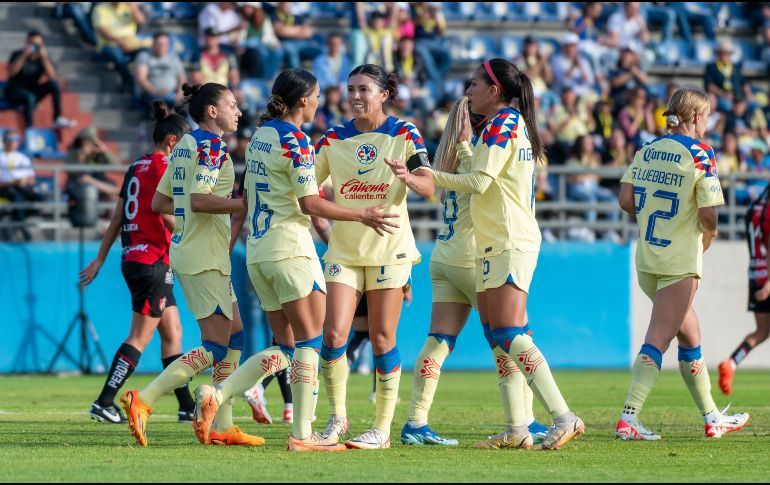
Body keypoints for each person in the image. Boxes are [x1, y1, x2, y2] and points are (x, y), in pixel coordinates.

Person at [193, 68, 397, 452]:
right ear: (304, 99)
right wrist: (361, 214)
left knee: (285, 347)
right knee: (310, 341)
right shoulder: (297, 141)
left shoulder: (260, 136)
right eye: (317, 95)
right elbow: (309, 203)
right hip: (290, 250)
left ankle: (217, 395)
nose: (320, 101)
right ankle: (303, 435)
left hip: (259, 254)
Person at [409, 58, 585, 450]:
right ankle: (517, 427)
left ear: (494, 91)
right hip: (491, 243)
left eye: (473, 84)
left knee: (509, 332)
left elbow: (479, 181)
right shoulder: (498, 126)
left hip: (510, 240)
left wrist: (427, 175)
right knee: (498, 334)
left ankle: (564, 416)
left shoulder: (504, 123)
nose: (467, 91)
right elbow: (482, 176)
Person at [398, 96, 548, 448]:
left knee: (438, 341)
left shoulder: (442, 157)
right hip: (475, 258)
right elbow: (481, 182)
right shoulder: (478, 152)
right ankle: (524, 421)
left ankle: (416, 421)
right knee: (510, 338)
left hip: (443, 256)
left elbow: (437, 187)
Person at [120, 82, 262, 448]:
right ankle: (144, 399)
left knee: (235, 337)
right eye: (232, 105)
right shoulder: (212, 146)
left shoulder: (185, 144)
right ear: (212, 111)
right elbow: (199, 200)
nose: (239, 112)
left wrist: (198, 210)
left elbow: (159, 203)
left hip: (193, 250)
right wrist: (244, 204)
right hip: (204, 256)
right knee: (216, 344)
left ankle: (222, 424)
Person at [615, 87, 749, 441]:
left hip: (648, 259)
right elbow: (708, 214)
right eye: (706, 117)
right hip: (679, 261)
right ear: (694, 118)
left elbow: (626, 200)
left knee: (690, 336)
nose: (708, 123)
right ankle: (628, 418)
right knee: (658, 339)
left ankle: (711, 418)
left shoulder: (646, 148)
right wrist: (711, 234)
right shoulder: (701, 153)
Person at [314, 64, 434, 449]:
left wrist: (407, 178)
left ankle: (381, 429)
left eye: (364, 89)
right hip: (344, 251)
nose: (355, 97)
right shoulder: (332, 138)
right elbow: (309, 190)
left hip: (389, 249)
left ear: (384, 94)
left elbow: (429, 185)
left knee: (382, 338)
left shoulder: (404, 132)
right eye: (351, 89)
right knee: (333, 334)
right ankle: (336, 419)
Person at [79, 102, 195, 425]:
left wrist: (101, 258)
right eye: (183, 147)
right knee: (139, 337)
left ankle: (186, 407)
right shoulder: (163, 167)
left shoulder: (136, 167)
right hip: (153, 261)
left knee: (172, 332)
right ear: (172, 142)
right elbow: (166, 214)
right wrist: (193, 238)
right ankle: (104, 401)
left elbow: (117, 216)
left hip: (136, 257)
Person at [719, 184, 770, 395]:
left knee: (762, 331)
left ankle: (731, 363)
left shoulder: (758, 201)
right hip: (767, 275)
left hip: (755, 273)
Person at [5, 31, 77, 129]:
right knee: (29, 97)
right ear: (26, 43)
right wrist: (24, 56)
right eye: (32, 43)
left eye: (38, 44)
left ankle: (57, 118)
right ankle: (30, 128)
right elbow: (11, 72)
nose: (34, 47)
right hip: (15, 90)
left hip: (33, 90)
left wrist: (44, 58)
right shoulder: (17, 54)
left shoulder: (43, 58)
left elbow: (52, 76)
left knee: (53, 85)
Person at [91, 2, 152, 93]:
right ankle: (130, 81)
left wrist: (133, 7)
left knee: (148, 50)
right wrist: (120, 42)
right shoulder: (100, 9)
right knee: (117, 56)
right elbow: (103, 31)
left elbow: (141, 22)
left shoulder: (127, 7)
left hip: (131, 43)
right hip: (109, 44)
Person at [0, 129, 43, 240]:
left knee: (40, 199)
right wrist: (14, 182)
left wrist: (26, 181)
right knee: (17, 197)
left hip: (21, 188)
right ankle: (22, 228)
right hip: (6, 188)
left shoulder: (23, 158)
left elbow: (32, 179)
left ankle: (14, 220)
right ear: (4, 141)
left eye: (15, 139)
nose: (12, 142)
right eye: (9, 139)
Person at [134, 32, 186, 111]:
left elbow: (182, 79)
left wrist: (179, 94)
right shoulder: (144, 56)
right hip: (150, 94)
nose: (161, 47)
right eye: (159, 44)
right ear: (153, 44)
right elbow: (141, 79)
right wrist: (157, 92)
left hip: (172, 95)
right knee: (162, 103)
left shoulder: (174, 58)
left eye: (164, 44)